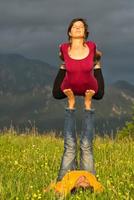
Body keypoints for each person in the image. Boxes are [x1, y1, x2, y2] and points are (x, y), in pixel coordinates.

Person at [52, 18, 105, 184]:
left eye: (81, 27)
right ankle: (76, 102)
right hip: (70, 86)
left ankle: (75, 104)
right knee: (80, 147)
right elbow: (61, 54)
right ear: (69, 32)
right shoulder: (63, 47)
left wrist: (96, 61)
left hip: (89, 86)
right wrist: (64, 62)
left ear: (85, 33)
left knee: (75, 147)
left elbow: (97, 52)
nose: (78, 28)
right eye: (75, 27)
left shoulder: (91, 46)